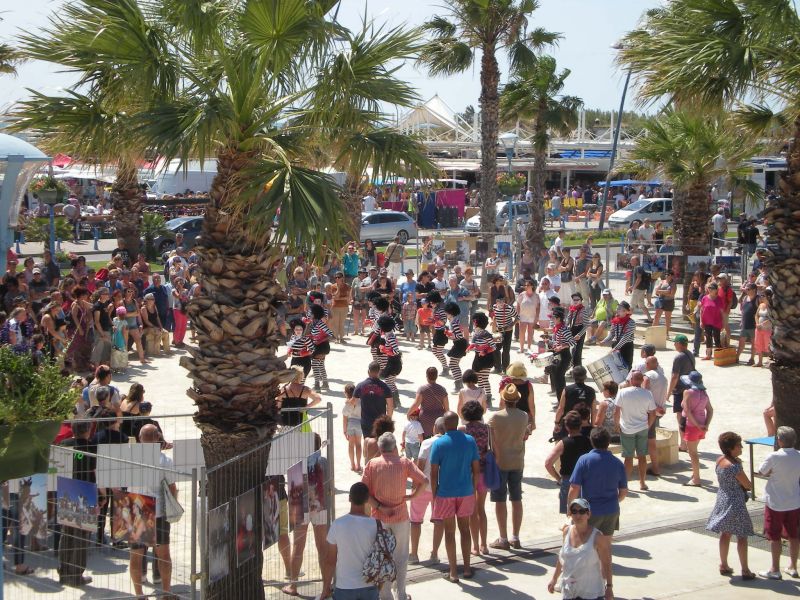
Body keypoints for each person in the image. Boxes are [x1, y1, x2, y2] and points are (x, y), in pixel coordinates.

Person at [361, 433, 427, 600]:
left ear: (380, 448)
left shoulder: (372, 464)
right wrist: (412, 496)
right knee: (401, 555)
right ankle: (401, 593)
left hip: (379, 518)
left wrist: (379, 506)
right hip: (400, 516)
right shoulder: (404, 463)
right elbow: (424, 481)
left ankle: (385, 594)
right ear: (394, 446)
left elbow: (364, 492)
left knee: (382, 555)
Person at [128, 425, 177, 598]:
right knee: (163, 554)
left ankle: (139, 594)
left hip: (138, 509)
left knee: (136, 554)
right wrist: (173, 507)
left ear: (140, 438)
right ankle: (166, 592)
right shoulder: (165, 461)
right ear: (158, 439)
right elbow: (172, 488)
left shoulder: (129, 457)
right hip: (158, 511)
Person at [429, 411, 480, 583]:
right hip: (465, 491)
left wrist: (434, 494)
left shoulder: (439, 443)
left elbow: (434, 472)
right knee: (465, 530)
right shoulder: (469, 440)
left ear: (443, 424)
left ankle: (453, 572)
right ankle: (466, 568)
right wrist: (472, 488)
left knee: (449, 532)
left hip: (445, 493)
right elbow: (476, 468)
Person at [706, 431, 756, 580]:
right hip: (736, 503)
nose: (741, 448)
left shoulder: (719, 460)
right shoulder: (734, 466)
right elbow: (747, 485)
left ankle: (724, 564)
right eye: (738, 445)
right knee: (742, 536)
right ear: (731, 448)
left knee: (725, 533)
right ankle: (745, 570)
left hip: (722, 499)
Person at [320, 482, 380, 600]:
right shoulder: (376, 524)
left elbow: (330, 561)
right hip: (369, 585)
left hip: (344, 587)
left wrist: (325, 588)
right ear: (367, 500)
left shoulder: (338, 524)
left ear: (349, 498)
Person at [488, 384, 530, 550]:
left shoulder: (496, 417)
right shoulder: (524, 416)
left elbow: (491, 440)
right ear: (517, 399)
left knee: (500, 500)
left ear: (503, 399)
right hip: (518, 460)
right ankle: (515, 537)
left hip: (500, 462)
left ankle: (503, 537)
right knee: (516, 498)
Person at [548, 498, 614, 600]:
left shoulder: (598, 537)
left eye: (582, 511)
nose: (578, 515)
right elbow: (562, 558)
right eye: (574, 511)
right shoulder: (566, 531)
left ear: (588, 514)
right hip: (570, 590)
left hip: (591, 592)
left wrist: (609, 587)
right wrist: (554, 579)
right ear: (570, 514)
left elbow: (606, 563)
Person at [568, 428, 628, 539]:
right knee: (605, 547)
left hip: (589, 511)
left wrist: (570, 508)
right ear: (608, 442)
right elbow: (623, 492)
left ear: (592, 441)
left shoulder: (584, 460)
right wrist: (613, 501)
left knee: (584, 545)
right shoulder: (618, 463)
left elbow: (574, 488)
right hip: (612, 510)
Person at [58, 419, 97, 587]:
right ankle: (76, 575)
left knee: (67, 533)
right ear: (87, 430)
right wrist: (101, 497)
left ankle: (64, 571)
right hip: (85, 492)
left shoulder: (64, 444)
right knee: (81, 536)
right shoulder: (91, 448)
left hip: (66, 489)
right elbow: (95, 473)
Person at [757, 426, 800, 580]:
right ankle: (793, 566)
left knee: (774, 536)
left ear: (780, 441)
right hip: (794, 501)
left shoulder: (773, 456)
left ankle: (775, 569)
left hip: (775, 502)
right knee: (794, 534)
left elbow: (761, 472)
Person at [410, 417, 446, 565]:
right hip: (441, 488)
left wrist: (414, 484)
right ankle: (434, 553)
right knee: (439, 521)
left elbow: (420, 465)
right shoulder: (447, 443)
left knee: (415, 521)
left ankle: (414, 554)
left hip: (424, 487)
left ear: (434, 428)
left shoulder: (427, 442)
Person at [614, 371, 656, 491]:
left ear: (631, 380)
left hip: (627, 429)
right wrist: (648, 425)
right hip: (642, 428)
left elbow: (617, 411)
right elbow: (652, 413)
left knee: (628, 458)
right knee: (642, 456)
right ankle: (642, 483)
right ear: (642, 380)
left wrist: (617, 425)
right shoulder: (647, 393)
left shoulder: (622, 392)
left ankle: (625, 484)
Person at [545, 411, 593, 514]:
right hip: (586, 482)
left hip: (568, 481)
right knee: (586, 514)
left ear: (566, 427)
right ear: (580, 425)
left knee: (571, 515)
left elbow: (548, 463)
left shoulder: (563, 443)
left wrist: (559, 479)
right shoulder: (589, 441)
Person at [459, 400, 490, 557]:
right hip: (484, 471)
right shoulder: (487, 429)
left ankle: (476, 546)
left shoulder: (463, 429)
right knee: (481, 509)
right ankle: (484, 544)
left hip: (469, 473)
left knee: (471, 511)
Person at [680, 371, 714, 487]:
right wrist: (705, 425)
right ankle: (695, 474)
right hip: (702, 425)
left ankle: (696, 479)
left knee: (692, 453)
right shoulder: (704, 393)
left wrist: (697, 426)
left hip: (692, 426)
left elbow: (688, 411)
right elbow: (710, 410)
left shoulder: (688, 392)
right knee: (694, 450)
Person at [354, 361, 394, 442]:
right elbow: (390, 406)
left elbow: (354, 402)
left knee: (367, 442)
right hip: (380, 422)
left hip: (366, 421)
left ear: (368, 371)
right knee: (380, 444)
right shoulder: (385, 387)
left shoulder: (360, 386)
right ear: (379, 372)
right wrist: (388, 419)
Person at [409, 366, 449, 439]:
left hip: (425, 419)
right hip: (438, 419)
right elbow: (447, 408)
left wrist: (408, 413)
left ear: (426, 376)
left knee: (425, 441)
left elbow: (416, 405)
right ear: (436, 376)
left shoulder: (422, 389)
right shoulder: (442, 390)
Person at [468, 312, 496, 403]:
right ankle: (481, 396)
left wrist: (485, 351)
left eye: (473, 321)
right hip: (478, 357)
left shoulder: (486, 334)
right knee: (479, 378)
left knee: (484, 379)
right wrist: (470, 347)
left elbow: (494, 347)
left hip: (486, 358)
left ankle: (488, 397)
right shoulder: (475, 332)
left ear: (476, 322)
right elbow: (474, 343)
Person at [602, 301, 636, 370]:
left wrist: (615, 348)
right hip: (616, 343)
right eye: (617, 309)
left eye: (619, 309)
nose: (617, 311)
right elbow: (612, 333)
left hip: (627, 345)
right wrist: (605, 340)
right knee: (615, 366)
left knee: (627, 366)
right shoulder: (615, 321)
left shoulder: (631, 322)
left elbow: (625, 337)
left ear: (626, 311)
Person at [700, 282, 726, 360]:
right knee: (708, 337)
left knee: (717, 338)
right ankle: (708, 355)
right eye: (709, 288)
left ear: (716, 290)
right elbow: (701, 310)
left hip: (716, 321)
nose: (710, 290)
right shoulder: (704, 298)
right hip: (707, 321)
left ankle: (719, 355)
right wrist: (701, 321)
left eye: (712, 288)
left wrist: (724, 324)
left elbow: (722, 313)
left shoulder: (719, 299)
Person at [342, 383, 363, 473]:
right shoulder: (360, 401)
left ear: (346, 393)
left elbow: (345, 418)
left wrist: (344, 431)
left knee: (351, 445)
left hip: (350, 424)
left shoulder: (347, 404)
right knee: (358, 444)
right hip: (360, 423)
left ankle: (352, 465)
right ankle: (358, 465)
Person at [754, 291, 773, 367]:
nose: (761, 297)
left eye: (763, 295)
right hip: (759, 329)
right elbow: (756, 315)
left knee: (767, 346)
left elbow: (772, 318)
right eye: (761, 295)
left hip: (767, 329)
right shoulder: (761, 305)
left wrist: (762, 324)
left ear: (768, 297)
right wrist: (757, 324)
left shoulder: (771, 307)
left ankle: (770, 362)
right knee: (758, 344)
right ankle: (760, 362)